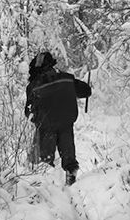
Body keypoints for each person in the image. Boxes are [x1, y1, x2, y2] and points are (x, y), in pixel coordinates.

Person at [25, 51, 91, 185]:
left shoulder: (33, 86)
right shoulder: (66, 78)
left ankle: (46, 186)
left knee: (45, 159)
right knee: (67, 149)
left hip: (46, 124)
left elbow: (28, 111)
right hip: (66, 120)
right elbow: (86, 91)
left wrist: (36, 119)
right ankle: (71, 173)